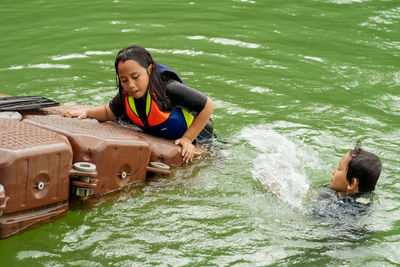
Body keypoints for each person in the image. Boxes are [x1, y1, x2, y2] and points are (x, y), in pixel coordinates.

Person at [63, 45, 215, 163]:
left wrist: (188, 139)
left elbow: (208, 105)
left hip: (201, 139)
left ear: (149, 70)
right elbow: (109, 111)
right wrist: (86, 112)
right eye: (124, 80)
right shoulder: (127, 94)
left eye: (136, 77)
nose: (131, 85)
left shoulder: (168, 88)